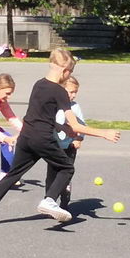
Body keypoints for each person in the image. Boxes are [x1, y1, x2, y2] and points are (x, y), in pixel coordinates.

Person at [0, 47, 79, 226]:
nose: (69, 76)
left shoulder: (38, 84)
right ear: (64, 70)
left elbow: (42, 115)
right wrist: (104, 133)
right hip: (43, 139)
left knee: (12, 175)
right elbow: (75, 125)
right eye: (70, 72)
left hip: (26, 136)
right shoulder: (59, 91)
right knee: (67, 168)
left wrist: (62, 128)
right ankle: (49, 200)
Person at [50, 75, 121, 206]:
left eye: (75, 92)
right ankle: (49, 202)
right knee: (51, 175)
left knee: (65, 173)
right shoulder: (54, 106)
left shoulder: (75, 107)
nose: (73, 95)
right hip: (54, 146)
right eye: (71, 92)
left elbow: (82, 126)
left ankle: (64, 199)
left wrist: (78, 139)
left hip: (69, 146)